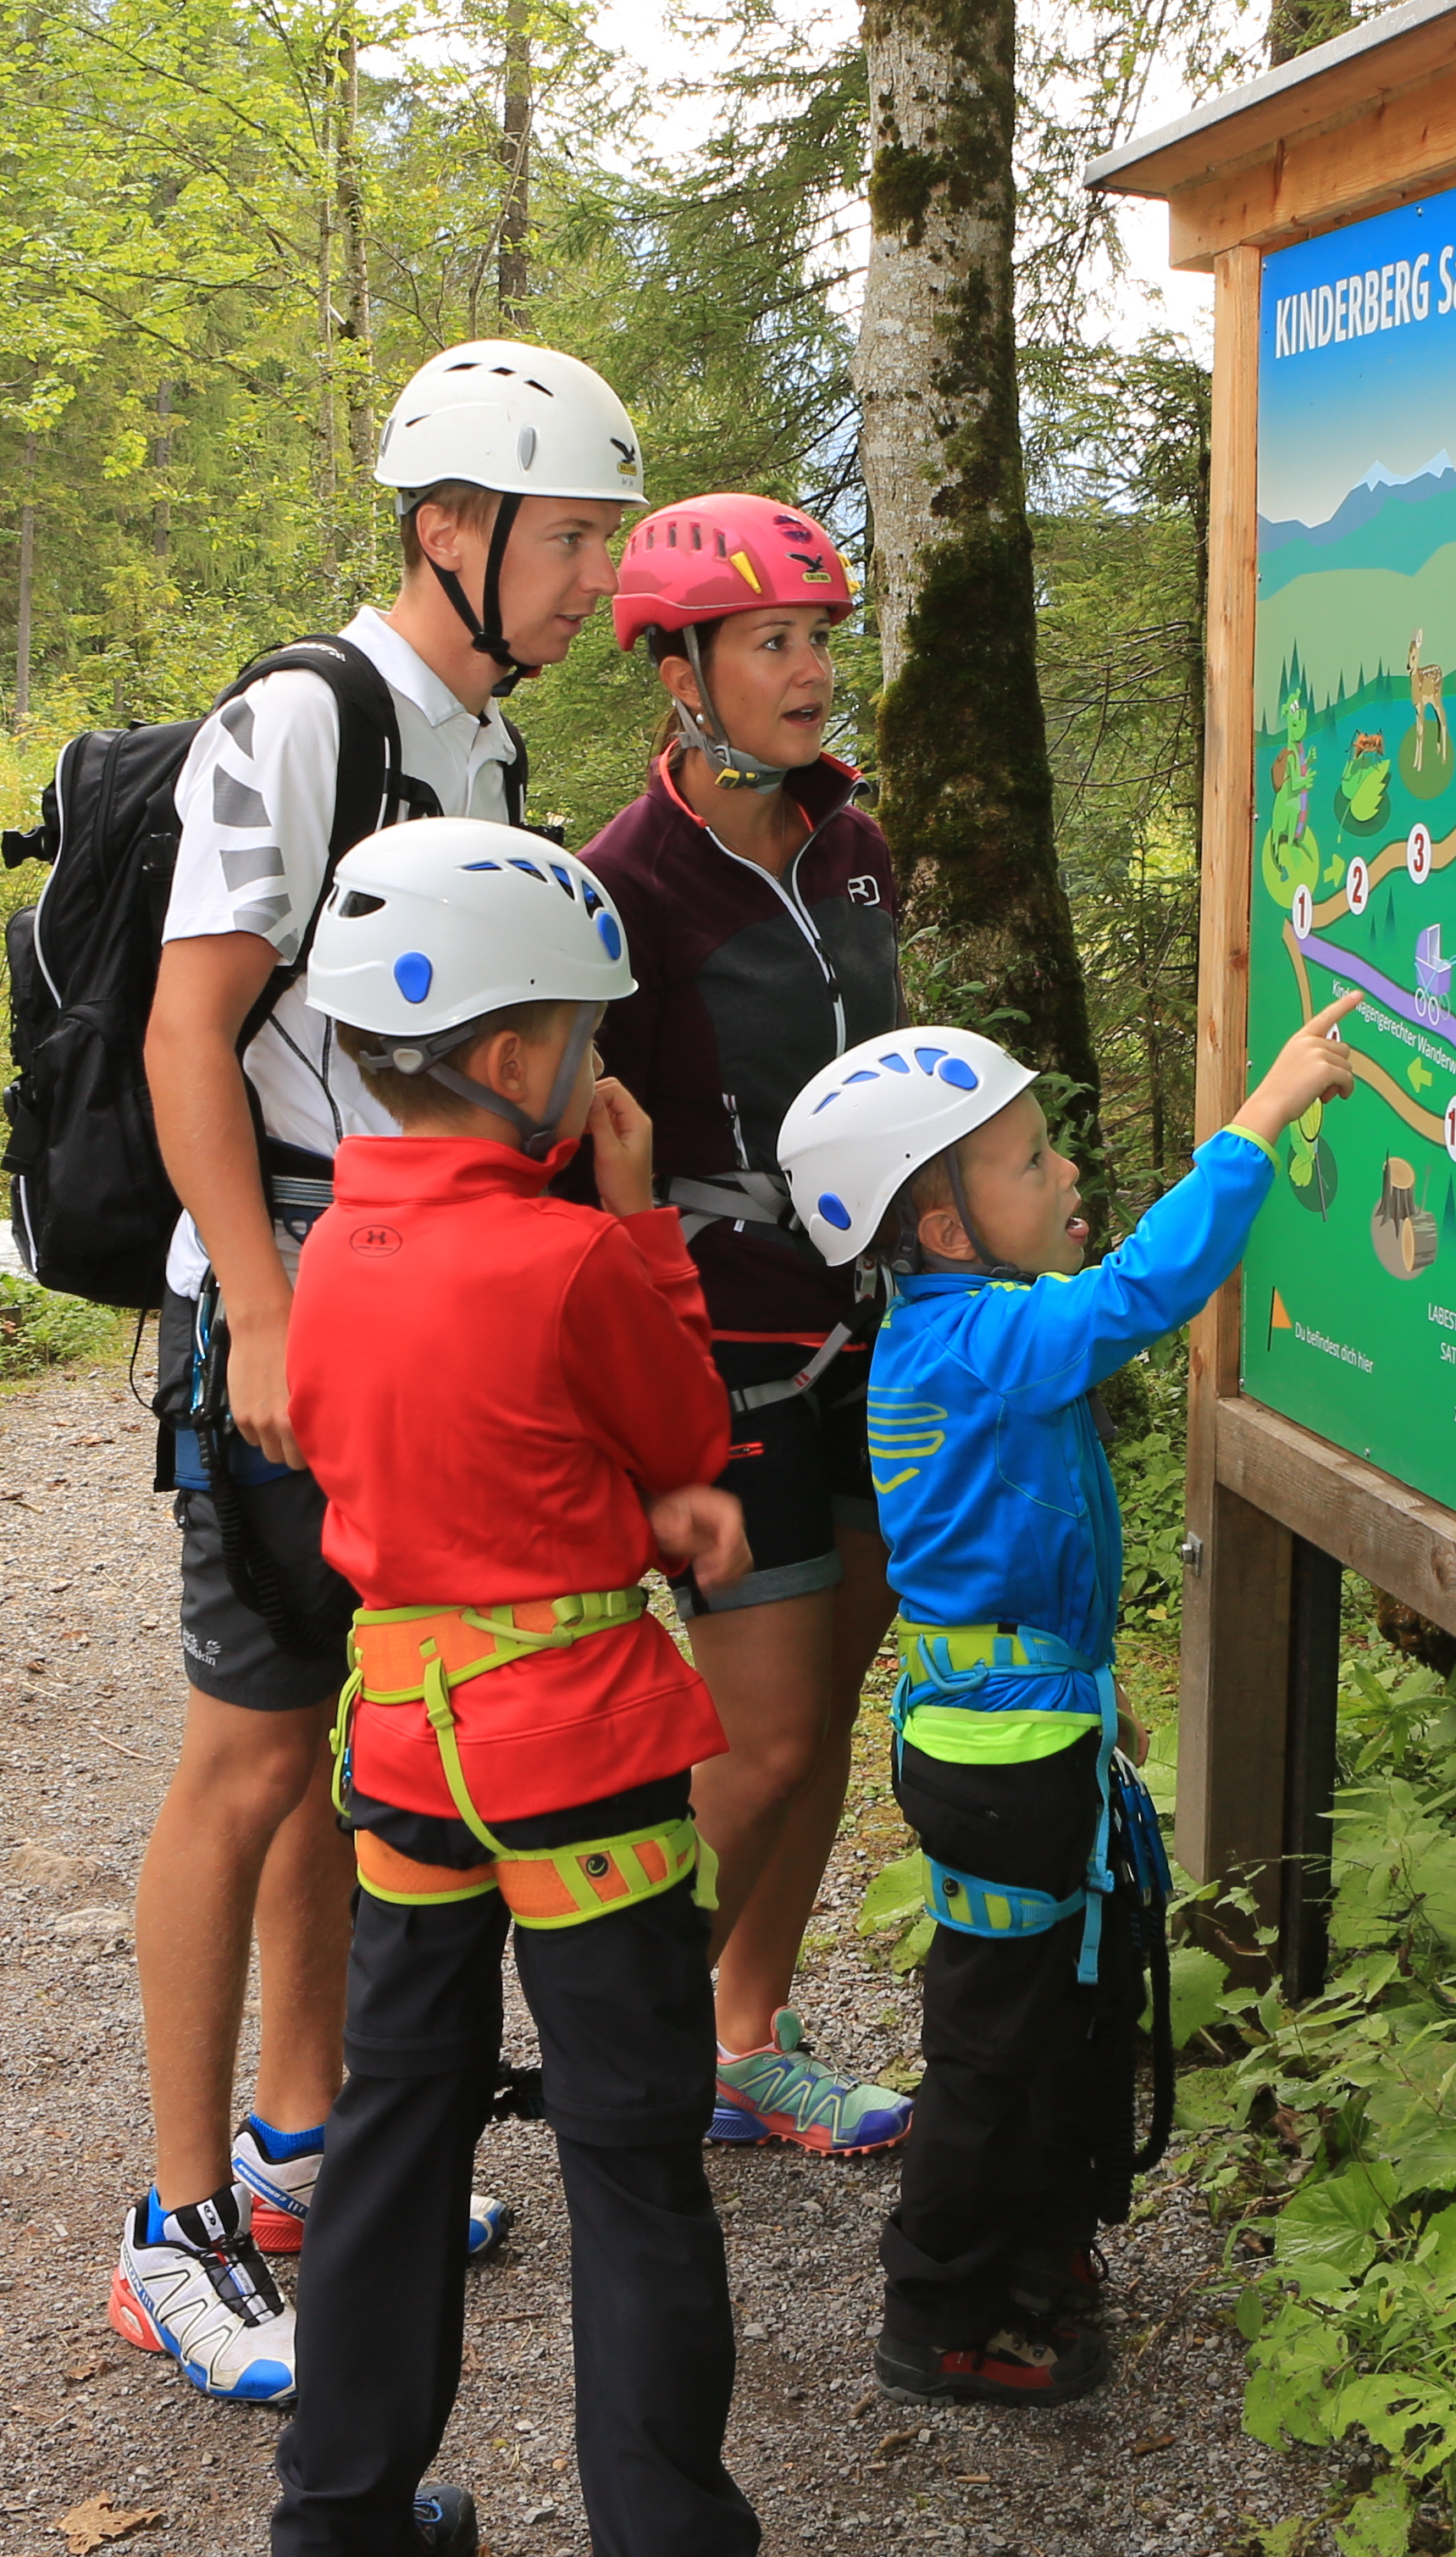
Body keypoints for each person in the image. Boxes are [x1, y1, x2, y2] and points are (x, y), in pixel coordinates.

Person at [109, 341, 646, 2406]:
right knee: (246, 1746)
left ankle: (308, 2131)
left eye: (602, 541)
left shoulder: (479, 742)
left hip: (417, 1289)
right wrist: (253, 1304)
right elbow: (189, 1030)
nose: (593, 581)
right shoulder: (306, 722)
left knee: (353, 1719)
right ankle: (171, 2224)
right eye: (572, 539)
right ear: (453, 530)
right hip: (295, 1295)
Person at [272, 818, 764, 2557]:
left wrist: (600, 1503)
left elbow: (426, 1464)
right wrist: (638, 1226)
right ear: (510, 1056)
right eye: (589, 1029)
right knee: (628, 2153)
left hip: (406, 1744)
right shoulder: (561, 1259)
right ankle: (665, 2532)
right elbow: (682, 1434)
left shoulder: (331, 1251)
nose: (605, 1058)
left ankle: (340, 2517)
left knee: (396, 2128)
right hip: (581, 1758)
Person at [774, 991, 1365, 2406]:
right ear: (941, 1227)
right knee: (991, 2036)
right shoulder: (971, 1344)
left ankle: (1032, 2252)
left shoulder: (967, 1329)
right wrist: (1260, 1118)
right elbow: (1140, 1298)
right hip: (1005, 1758)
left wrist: (1095, 1699)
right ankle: (938, 2310)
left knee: (1047, 2009)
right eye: (1032, 1159)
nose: (1067, 1174)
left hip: (1026, 1728)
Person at [579, 491, 913, 2158]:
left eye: (820, 639)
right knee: (767, 1731)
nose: (807, 672)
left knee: (832, 1693)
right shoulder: (618, 890)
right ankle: (617, 2049)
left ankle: (742, 2037)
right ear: (681, 669)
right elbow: (573, 1154)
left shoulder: (850, 847)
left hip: (883, 1342)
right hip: (732, 1364)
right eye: (773, 642)